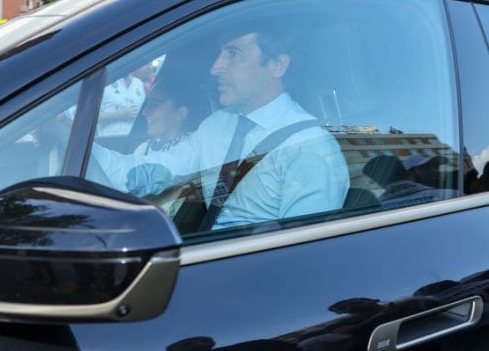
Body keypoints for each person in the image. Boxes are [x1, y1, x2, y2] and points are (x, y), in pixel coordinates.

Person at [93, 27, 349, 230]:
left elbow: (304, 257)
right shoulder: (218, 125)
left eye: (233, 54)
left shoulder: (310, 148)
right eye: (219, 54)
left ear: (277, 65)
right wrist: (78, 149)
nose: (215, 68)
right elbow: (155, 172)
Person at [133, 79, 205, 155]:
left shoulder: (194, 151)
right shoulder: (143, 149)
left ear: (180, 113)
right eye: (148, 104)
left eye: (155, 105)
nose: (145, 112)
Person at [96, 70, 146, 137]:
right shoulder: (105, 82)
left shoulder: (138, 83)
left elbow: (144, 111)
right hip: (108, 137)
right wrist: (119, 114)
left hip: (132, 138)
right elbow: (90, 117)